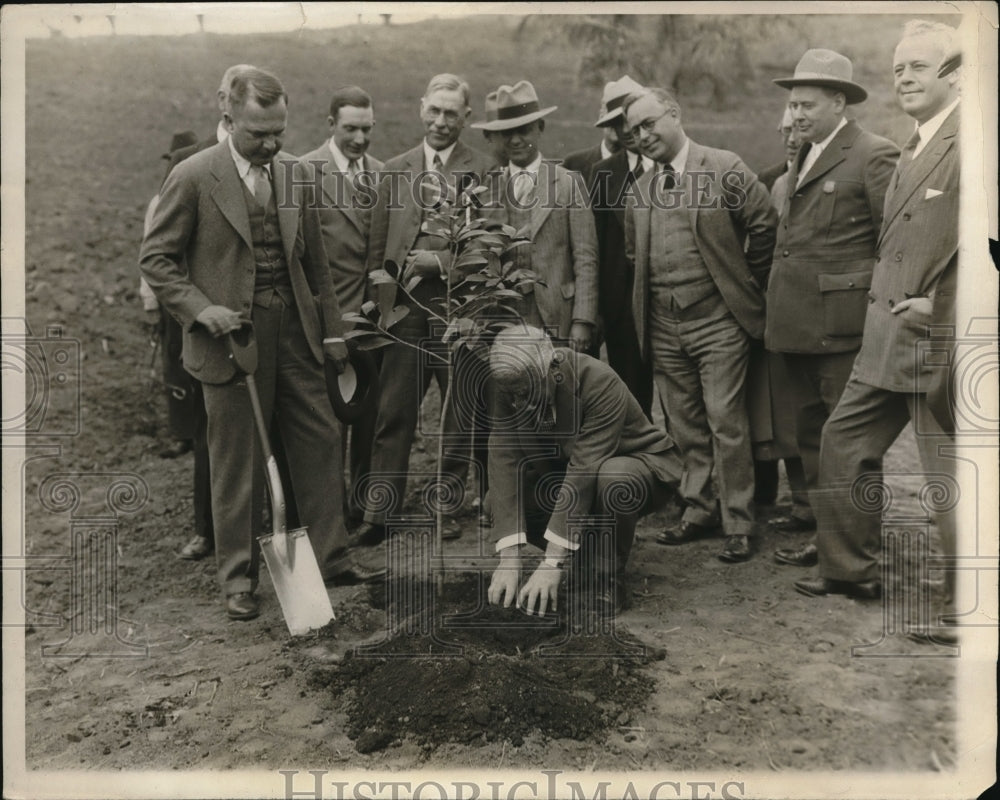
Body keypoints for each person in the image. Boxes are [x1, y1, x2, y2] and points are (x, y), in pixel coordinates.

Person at [140, 68, 384, 622]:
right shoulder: (194, 175)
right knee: (237, 463)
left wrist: (331, 333)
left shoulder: (296, 172)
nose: (272, 144)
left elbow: (315, 263)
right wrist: (202, 309)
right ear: (228, 116)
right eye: (258, 134)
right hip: (231, 343)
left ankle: (333, 556)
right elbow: (156, 260)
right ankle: (238, 579)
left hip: (296, 331)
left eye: (279, 132)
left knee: (320, 439)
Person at [794, 21, 961, 638]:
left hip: (937, 339)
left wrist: (942, 302)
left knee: (947, 473)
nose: (906, 78)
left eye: (921, 66)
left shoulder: (975, 141)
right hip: (886, 337)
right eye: (898, 69)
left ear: (955, 74)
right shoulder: (916, 142)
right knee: (842, 441)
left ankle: (963, 610)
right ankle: (848, 570)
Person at [624, 87, 777, 563]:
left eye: (650, 124)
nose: (643, 136)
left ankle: (738, 521)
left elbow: (765, 223)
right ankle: (698, 509)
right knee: (684, 424)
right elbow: (635, 254)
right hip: (664, 325)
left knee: (725, 420)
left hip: (718, 321)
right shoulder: (640, 188)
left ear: (675, 113)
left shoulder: (723, 166)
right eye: (634, 131)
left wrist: (744, 282)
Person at [765, 49, 899, 566]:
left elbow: (894, 241)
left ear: (838, 102)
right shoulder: (806, 153)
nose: (795, 115)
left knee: (850, 447)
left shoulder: (873, 153)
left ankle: (855, 555)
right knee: (814, 443)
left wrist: (872, 306)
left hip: (843, 328)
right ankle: (829, 543)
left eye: (806, 105)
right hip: (798, 326)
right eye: (793, 105)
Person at [354, 74, 493, 547]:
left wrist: (439, 261)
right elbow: (377, 249)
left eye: (451, 113)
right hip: (404, 315)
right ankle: (380, 511)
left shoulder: (484, 171)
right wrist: (377, 305)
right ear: (421, 108)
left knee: (457, 416)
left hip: (458, 312)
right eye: (434, 110)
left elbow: (489, 250)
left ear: (466, 118)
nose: (440, 121)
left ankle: (447, 509)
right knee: (392, 413)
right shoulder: (394, 170)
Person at [485, 325, 682, 617]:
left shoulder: (599, 381)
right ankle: (583, 549)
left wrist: (551, 563)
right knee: (495, 501)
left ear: (553, 367)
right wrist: (509, 558)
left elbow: (584, 470)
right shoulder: (508, 381)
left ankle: (606, 579)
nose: (519, 404)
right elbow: (503, 456)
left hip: (632, 466)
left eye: (526, 393)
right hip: (567, 474)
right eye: (512, 396)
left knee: (614, 478)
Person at [296, 86, 384, 529]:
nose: (360, 138)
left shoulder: (383, 174)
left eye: (367, 129)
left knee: (367, 418)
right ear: (331, 125)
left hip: (369, 321)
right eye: (350, 128)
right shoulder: (303, 172)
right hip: (323, 322)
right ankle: (325, 514)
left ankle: (361, 508)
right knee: (328, 426)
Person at [474, 80, 599, 353]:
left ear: (540, 128)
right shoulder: (487, 187)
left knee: (557, 386)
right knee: (508, 385)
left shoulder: (567, 183)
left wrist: (583, 319)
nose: (516, 140)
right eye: (507, 132)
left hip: (555, 311)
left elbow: (585, 257)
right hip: (502, 313)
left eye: (524, 130)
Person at [746, 108, 811, 520]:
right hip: (768, 308)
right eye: (784, 130)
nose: (790, 138)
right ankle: (767, 492)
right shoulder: (765, 180)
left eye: (797, 130)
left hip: (806, 310)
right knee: (767, 406)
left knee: (800, 407)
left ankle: (808, 501)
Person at [588, 75, 655, 417]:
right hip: (622, 313)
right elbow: (594, 246)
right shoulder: (602, 173)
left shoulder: (676, 167)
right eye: (618, 122)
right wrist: (599, 310)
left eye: (635, 119)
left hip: (670, 307)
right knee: (631, 402)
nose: (629, 129)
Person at [561, 88, 624, 183]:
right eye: (611, 118)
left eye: (622, 120)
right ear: (602, 117)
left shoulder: (640, 166)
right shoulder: (574, 164)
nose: (616, 124)